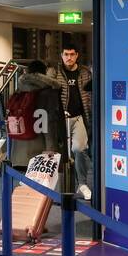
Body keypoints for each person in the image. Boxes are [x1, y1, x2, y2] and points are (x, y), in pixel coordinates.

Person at [8, 60, 68, 175]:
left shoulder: (20, 89)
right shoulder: (48, 91)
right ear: (44, 72)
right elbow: (50, 121)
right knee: (40, 190)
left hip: (18, 153)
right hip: (39, 154)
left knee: (22, 190)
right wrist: (52, 149)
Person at [49, 44, 93, 195]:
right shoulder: (55, 73)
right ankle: (56, 187)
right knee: (60, 153)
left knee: (79, 148)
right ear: (61, 55)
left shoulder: (85, 73)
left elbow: (91, 93)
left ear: (77, 55)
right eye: (66, 54)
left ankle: (82, 184)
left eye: (72, 54)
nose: (69, 57)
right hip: (60, 119)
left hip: (79, 116)